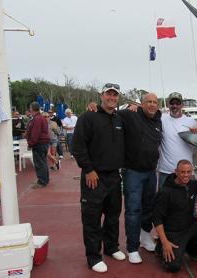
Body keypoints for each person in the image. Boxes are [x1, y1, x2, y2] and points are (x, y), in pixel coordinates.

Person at [72, 83, 126, 273]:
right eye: (108, 94)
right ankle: (93, 257)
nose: (112, 97)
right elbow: (77, 146)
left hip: (114, 176)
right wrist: (88, 169)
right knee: (92, 218)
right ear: (101, 95)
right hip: (93, 177)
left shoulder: (120, 119)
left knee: (113, 216)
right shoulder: (88, 117)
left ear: (118, 98)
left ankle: (111, 248)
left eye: (115, 95)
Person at [118, 93, 162, 264]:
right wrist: (94, 107)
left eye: (155, 102)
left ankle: (144, 237)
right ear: (141, 104)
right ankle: (132, 247)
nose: (152, 105)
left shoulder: (159, 120)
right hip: (133, 172)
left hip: (151, 172)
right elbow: (110, 113)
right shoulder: (131, 115)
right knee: (133, 210)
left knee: (148, 208)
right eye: (148, 102)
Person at [153, 159, 197, 272]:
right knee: (174, 267)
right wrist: (165, 242)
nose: (186, 175)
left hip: (189, 227)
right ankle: (160, 247)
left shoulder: (192, 185)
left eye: (188, 172)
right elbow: (157, 219)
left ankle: (191, 252)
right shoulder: (164, 192)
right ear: (176, 172)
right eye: (182, 172)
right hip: (173, 233)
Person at [157, 92, 197, 188]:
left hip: (187, 172)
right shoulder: (161, 119)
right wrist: (135, 107)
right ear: (168, 105)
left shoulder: (191, 122)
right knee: (163, 202)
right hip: (165, 171)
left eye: (178, 103)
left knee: (187, 202)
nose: (175, 106)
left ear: (182, 105)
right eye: (172, 103)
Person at [25, 102, 50, 188]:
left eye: (30, 107)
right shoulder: (41, 118)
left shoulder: (37, 119)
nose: (29, 109)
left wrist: (30, 144)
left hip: (39, 144)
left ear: (32, 108)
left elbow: (35, 134)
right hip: (43, 143)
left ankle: (42, 182)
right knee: (43, 162)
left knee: (39, 163)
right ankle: (45, 179)